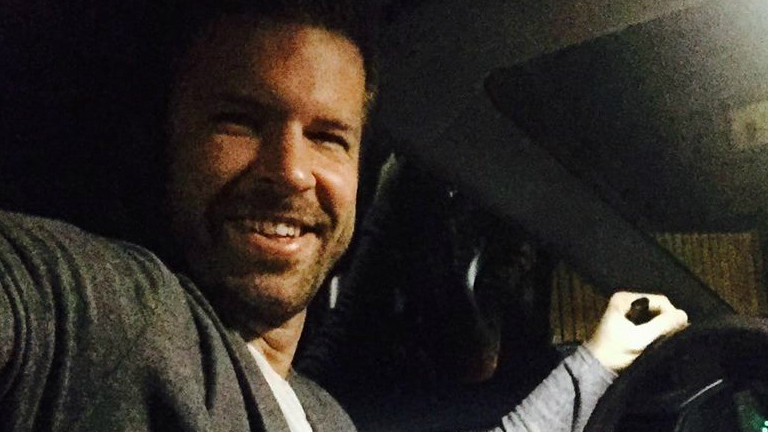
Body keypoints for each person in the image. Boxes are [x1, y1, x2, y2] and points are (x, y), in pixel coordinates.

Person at [0, 1, 688, 431]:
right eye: (240, 120)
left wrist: (596, 363)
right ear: (169, 144)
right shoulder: (105, 313)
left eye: (328, 137)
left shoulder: (322, 415)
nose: (290, 170)